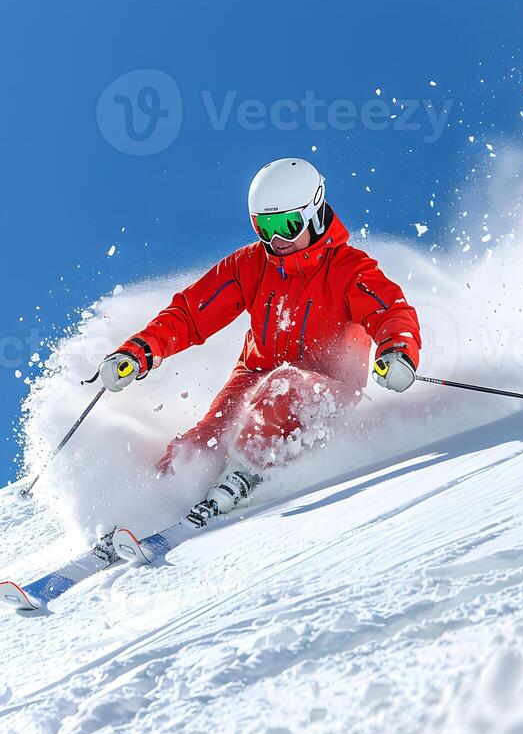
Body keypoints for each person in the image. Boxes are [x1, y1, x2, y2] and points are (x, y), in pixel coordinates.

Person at [98, 158, 422, 526]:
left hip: (327, 391)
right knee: (201, 441)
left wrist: (398, 351)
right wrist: (140, 350)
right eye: (264, 228)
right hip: (253, 376)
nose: (276, 241)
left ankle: (246, 475)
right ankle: (150, 509)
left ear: (314, 214)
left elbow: (391, 312)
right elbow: (190, 313)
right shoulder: (250, 265)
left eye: (287, 225)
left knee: (281, 389)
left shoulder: (350, 269)